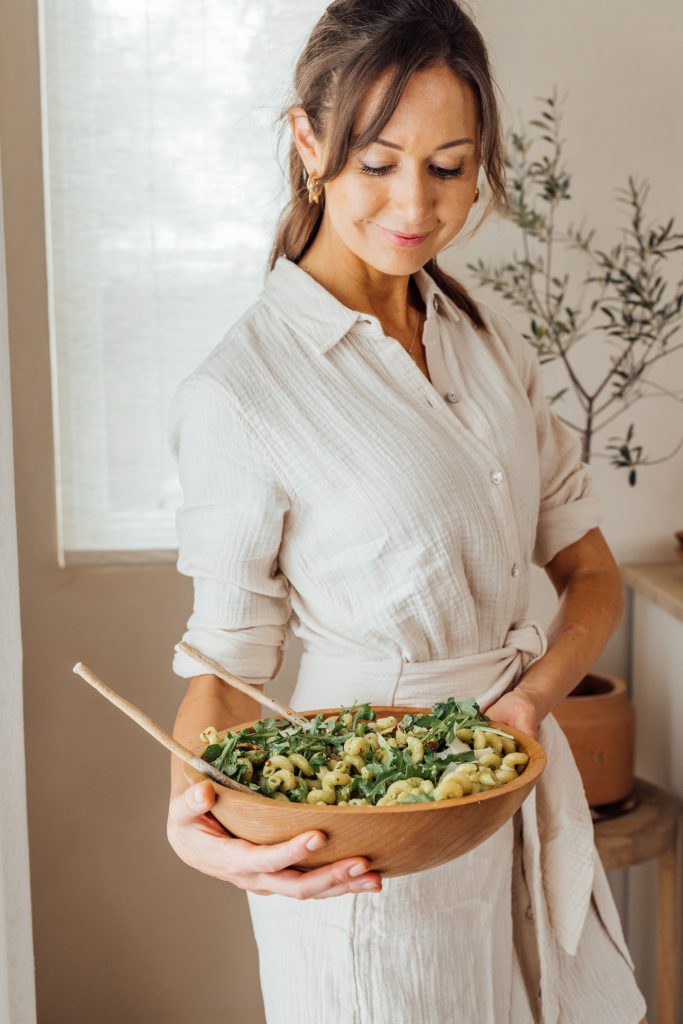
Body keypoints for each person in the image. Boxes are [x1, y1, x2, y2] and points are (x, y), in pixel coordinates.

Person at [165, 2, 648, 1021]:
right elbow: (225, 666)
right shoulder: (242, 391)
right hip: (366, 831)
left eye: (449, 165)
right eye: (377, 161)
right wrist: (187, 814)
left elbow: (590, 573)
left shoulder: (479, 337)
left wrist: (527, 703)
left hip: (503, 788)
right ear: (309, 142)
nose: (414, 204)